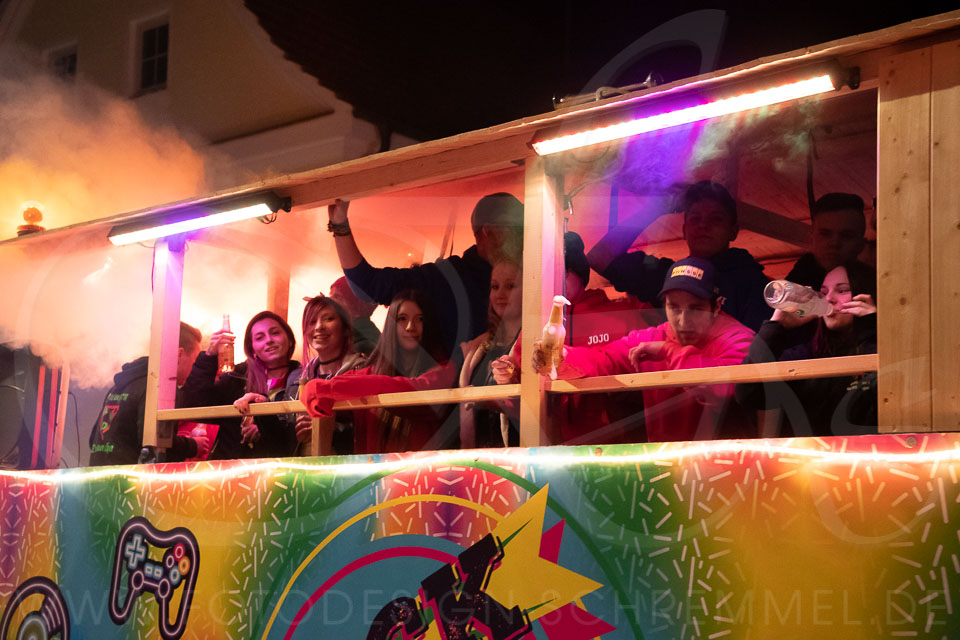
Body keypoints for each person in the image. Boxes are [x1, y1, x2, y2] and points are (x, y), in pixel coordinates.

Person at [531, 257, 755, 443]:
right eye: (674, 307)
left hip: (730, 465)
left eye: (695, 309)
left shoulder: (739, 339)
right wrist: (562, 356)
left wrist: (669, 351)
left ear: (716, 306)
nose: (683, 320)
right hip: (667, 465)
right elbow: (605, 358)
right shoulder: (654, 336)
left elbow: (722, 390)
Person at [327, 193, 523, 352]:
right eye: (517, 228)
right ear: (489, 231)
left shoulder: (532, 273)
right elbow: (368, 284)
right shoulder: (447, 279)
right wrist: (340, 227)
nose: (524, 234)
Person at [587, 181, 770, 331]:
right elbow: (600, 257)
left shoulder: (752, 283)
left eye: (716, 219)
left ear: (733, 231)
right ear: (684, 230)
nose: (703, 225)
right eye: (695, 218)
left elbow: (755, 354)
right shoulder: (667, 277)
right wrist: (656, 208)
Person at [297, 291, 452, 454]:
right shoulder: (369, 372)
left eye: (419, 319)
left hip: (424, 469)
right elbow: (322, 392)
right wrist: (317, 396)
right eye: (402, 319)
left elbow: (416, 388)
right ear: (391, 325)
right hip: (371, 469)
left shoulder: (445, 369)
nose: (410, 327)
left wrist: (329, 388)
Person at [735, 262, 878, 437]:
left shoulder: (882, 346)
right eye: (823, 292)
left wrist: (870, 328)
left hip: (869, 452)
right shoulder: (809, 353)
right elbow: (748, 394)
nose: (829, 299)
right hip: (811, 454)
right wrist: (776, 325)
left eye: (842, 291)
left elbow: (880, 399)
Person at [181, 311, 299, 459]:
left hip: (283, 466)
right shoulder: (236, 378)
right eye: (260, 337)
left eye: (275, 333)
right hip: (233, 466)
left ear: (289, 340)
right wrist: (209, 356)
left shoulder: (302, 379)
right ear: (251, 347)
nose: (269, 340)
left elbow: (298, 433)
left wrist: (264, 427)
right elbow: (194, 403)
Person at [89, 322, 210, 466]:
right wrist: (194, 445)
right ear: (179, 354)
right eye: (194, 361)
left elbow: (93, 439)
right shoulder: (161, 387)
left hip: (97, 475)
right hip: (130, 478)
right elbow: (156, 447)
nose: (193, 368)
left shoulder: (121, 383)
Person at [284, 295, 366, 455]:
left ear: (345, 329)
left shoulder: (361, 371)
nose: (319, 327)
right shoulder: (296, 379)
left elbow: (369, 426)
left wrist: (326, 427)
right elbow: (285, 435)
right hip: (302, 467)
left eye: (328, 319)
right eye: (312, 321)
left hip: (350, 465)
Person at [461, 259, 523, 448]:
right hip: (478, 456)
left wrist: (485, 400)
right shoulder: (478, 346)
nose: (500, 294)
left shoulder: (532, 343)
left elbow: (535, 407)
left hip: (519, 453)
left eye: (510, 286)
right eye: (495, 287)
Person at [786, 193, 868, 288]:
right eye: (825, 234)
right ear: (811, 238)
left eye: (846, 236)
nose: (834, 243)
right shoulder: (794, 283)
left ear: (860, 245)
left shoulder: (875, 286)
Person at [329, 276, 381, 357]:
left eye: (336, 297)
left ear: (353, 302)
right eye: (330, 297)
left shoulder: (363, 341)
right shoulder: (354, 333)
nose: (330, 302)